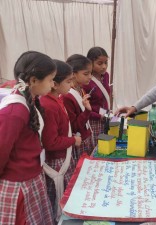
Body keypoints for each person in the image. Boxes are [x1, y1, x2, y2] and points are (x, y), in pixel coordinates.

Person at [0, 51, 56, 225]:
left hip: (30, 178)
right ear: (33, 81)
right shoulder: (15, 111)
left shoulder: (29, 99)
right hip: (17, 185)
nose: (53, 84)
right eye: (50, 79)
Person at [40, 60, 82, 221]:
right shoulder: (49, 106)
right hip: (57, 162)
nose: (71, 85)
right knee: (58, 204)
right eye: (68, 81)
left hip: (63, 157)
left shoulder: (57, 100)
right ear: (54, 84)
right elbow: (50, 142)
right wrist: (73, 140)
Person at [63, 54, 94, 164]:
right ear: (73, 74)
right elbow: (74, 126)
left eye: (91, 73)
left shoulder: (80, 89)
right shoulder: (67, 96)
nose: (90, 77)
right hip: (79, 140)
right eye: (86, 74)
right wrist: (87, 111)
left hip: (85, 136)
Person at [83, 47, 111, 146]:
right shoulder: (86, 81)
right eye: (100, 63)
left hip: (105, 118)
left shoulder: (106, 76)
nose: (104, 66)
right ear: (90, 63)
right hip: (93, 120)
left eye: (106, 63)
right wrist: (99, 116)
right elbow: (84, 106)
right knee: (96, 147)